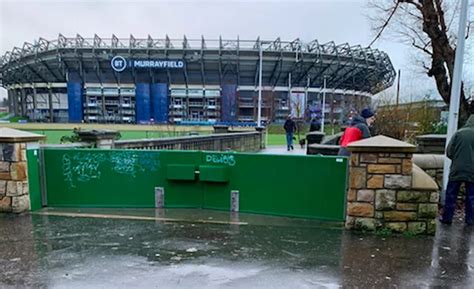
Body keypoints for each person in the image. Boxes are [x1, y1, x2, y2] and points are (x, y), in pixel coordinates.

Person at [440, 115, 474, 225]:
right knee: (471, 196)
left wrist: (457, 159)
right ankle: (470, 220)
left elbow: (449, 151)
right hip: (472, 170)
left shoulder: (459, 133)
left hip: (457, 169)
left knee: (451, 194)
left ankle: (447, 218)